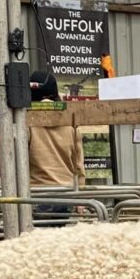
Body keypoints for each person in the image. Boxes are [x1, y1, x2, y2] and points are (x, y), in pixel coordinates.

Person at [28, 71, 85, 226]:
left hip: (37, 193)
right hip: (65, 194)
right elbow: (79, 166)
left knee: (38, 244)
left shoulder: (27, 123)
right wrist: (80, 198)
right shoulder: (71, 125)